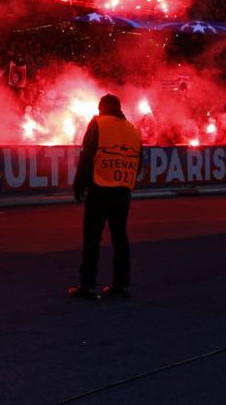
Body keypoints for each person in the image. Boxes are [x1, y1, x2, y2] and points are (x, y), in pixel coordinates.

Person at [69, 94, 143, 300]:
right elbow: (139, 160)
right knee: (120, 238)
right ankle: (122, 285)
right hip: (122, 190)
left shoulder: (98, 124)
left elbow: (87, 155)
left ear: (101, 108)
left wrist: (79, 184)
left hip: (100, 188)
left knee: (92, 238)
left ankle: (88, 285)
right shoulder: (132, 129)